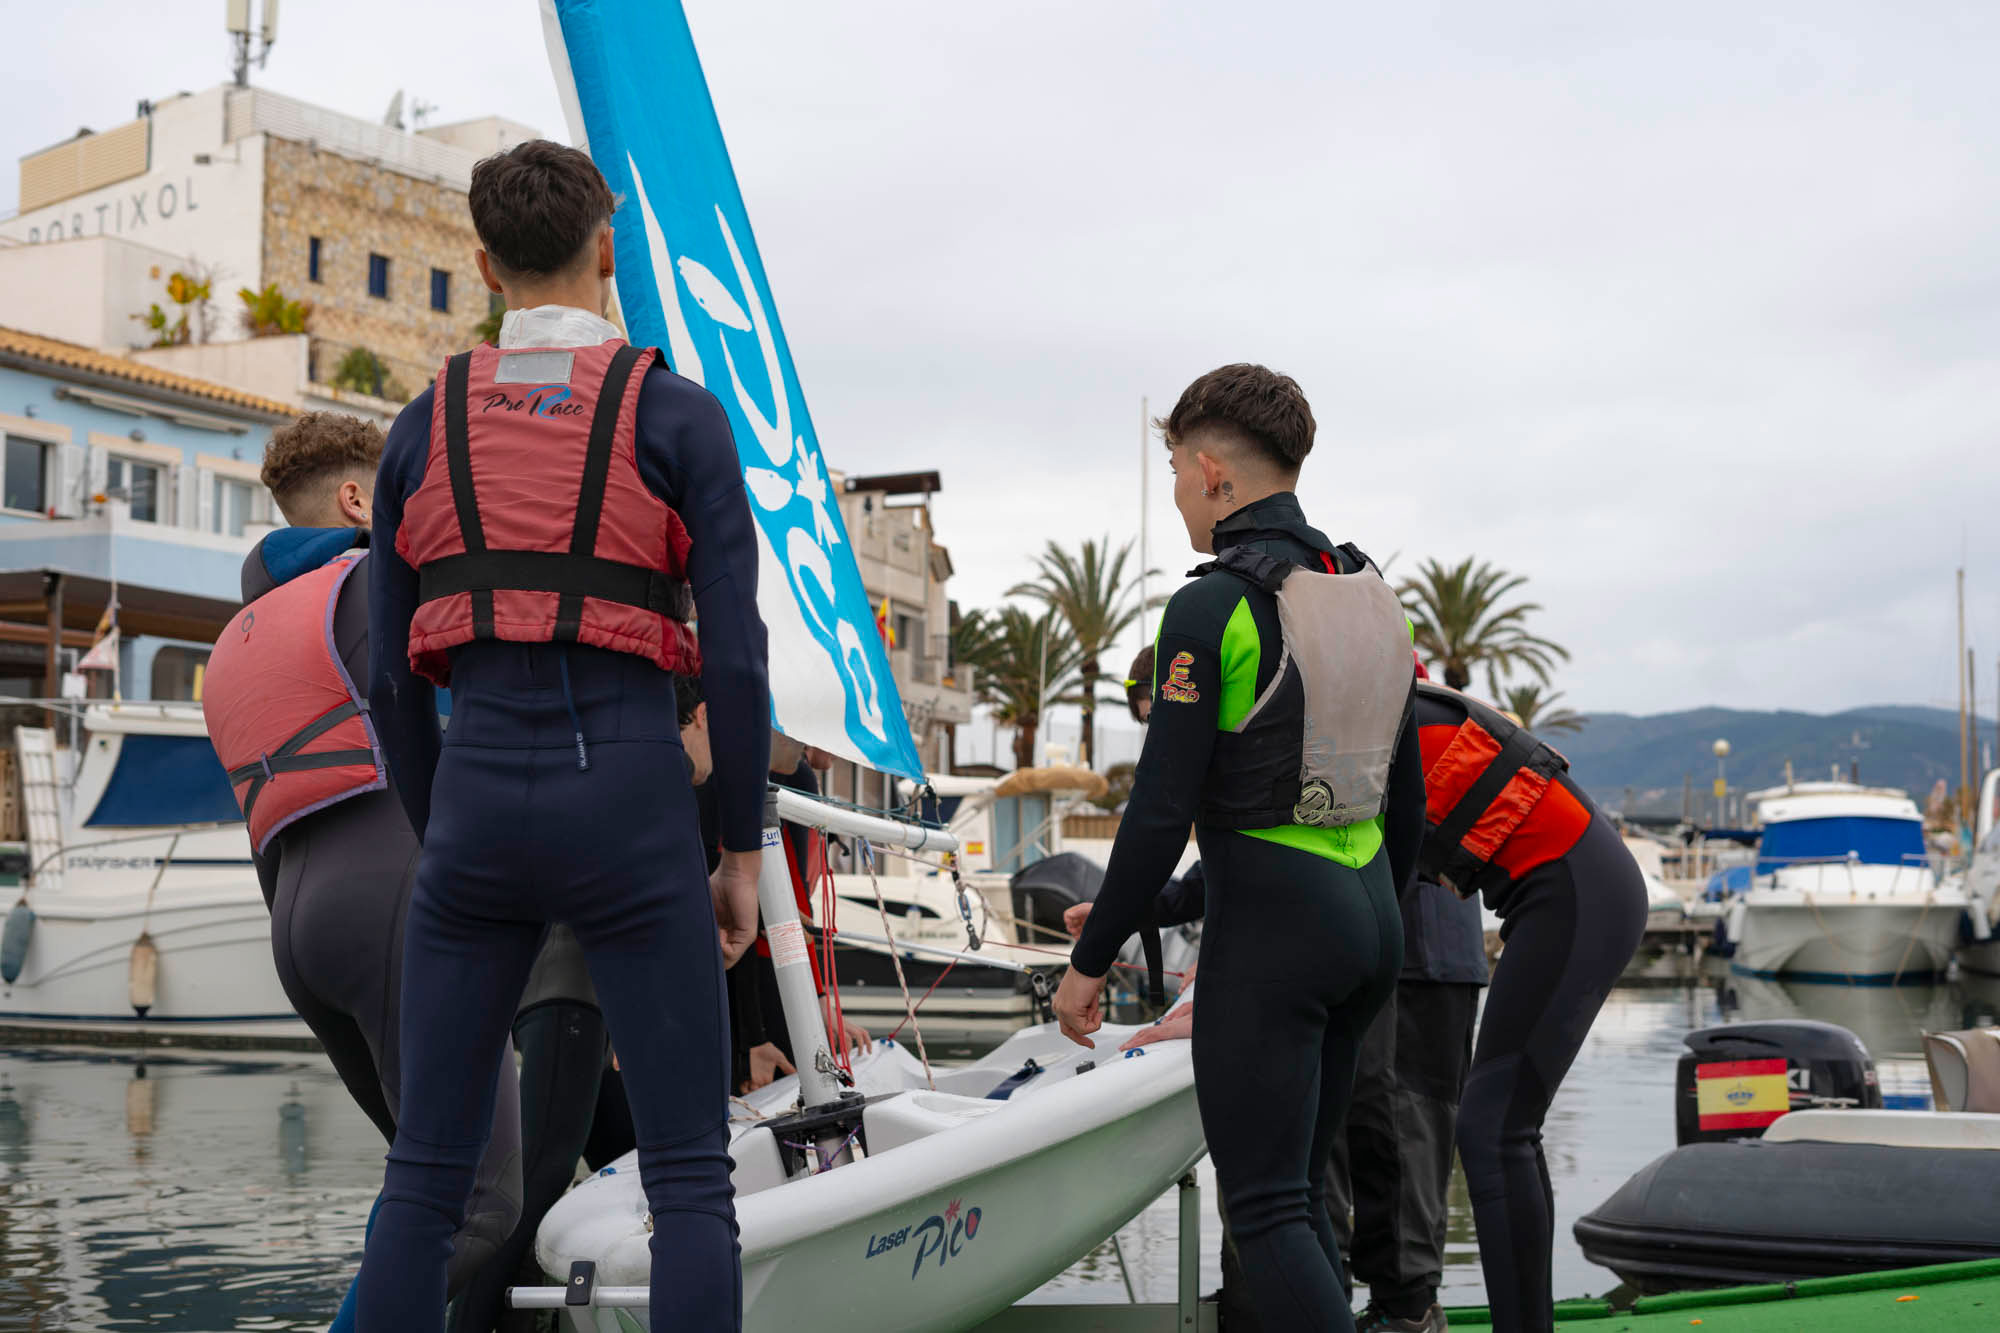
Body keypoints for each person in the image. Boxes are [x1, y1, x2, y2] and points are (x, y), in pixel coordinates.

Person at [353, 140, 768, 1331]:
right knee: (691, 1178)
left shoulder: (419, 428)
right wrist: (737, 850)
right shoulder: (676, 416)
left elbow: (392, 683)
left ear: (483, 265)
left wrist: (448, 843)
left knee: (425, 1179)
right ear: (606, 248)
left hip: (477, 796)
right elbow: (735, 660)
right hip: (631, 797)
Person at [1053, 364, 1425, 1333]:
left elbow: (1157, 811)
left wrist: (1087, 965)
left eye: (1177, 467)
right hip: (1369, 923)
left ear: (1212, 472)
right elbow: (1407, 803)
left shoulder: (1211, 606)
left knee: (1261, 1211)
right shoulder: (1368, 594)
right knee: (1303, 1199)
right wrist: (1364, 923)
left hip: (1273, 931)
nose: (1177, 488)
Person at [199, 413, 522, 1333]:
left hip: (299, 934)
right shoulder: (379, 583)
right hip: (396, 904)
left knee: (422, 1197)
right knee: (476, 1205)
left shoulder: (239, 641)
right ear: (357, 499)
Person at [1075, 649, 1485, 1333]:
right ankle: (1327, 1304)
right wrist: (1146, 905)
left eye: (1162, 718)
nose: (1165, 737)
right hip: (1361, 932)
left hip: (1421, 955)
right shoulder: (1287, 706)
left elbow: (1345, 832)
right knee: (1323, 1146)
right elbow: (1270, 841)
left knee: (1396, 1136)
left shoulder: (1309, 693)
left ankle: (1406, 1311)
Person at [1412, 680, 1645, 1333]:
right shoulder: (1378, 716)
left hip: (1575, 896)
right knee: (1502, 1129)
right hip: (1573, 893)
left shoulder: (1374, 728)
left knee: (1494, 1129)